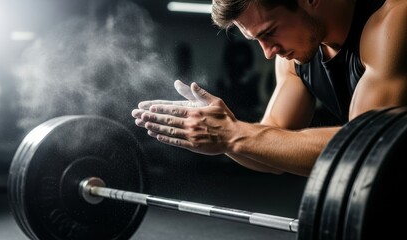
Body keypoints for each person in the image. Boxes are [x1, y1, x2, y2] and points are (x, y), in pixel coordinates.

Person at [131, 0, 407, 177]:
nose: (267, 52)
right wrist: (216, 135)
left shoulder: (392, 21)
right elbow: (271, 148)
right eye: (257, 40)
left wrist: (233, 135)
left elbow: (366, 147)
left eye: (269, 32)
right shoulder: (293, 58)